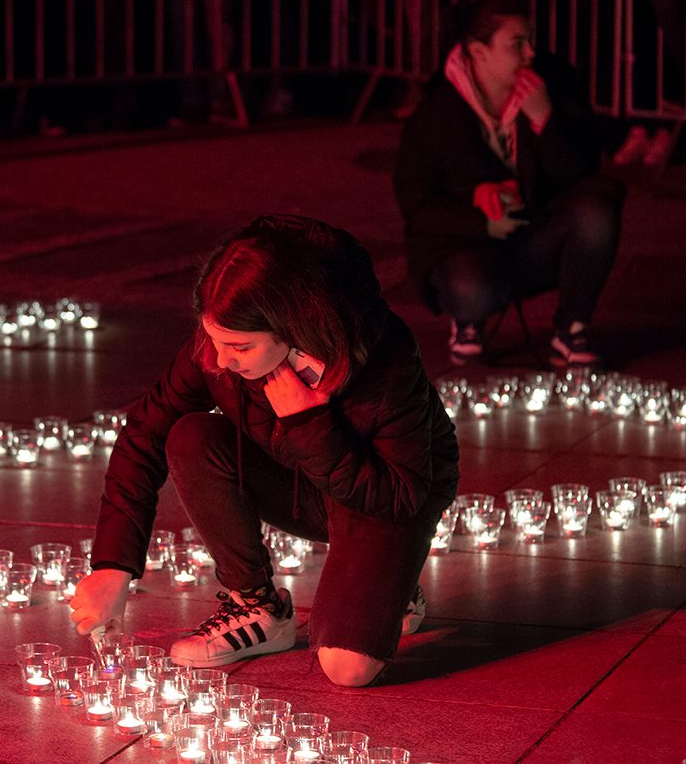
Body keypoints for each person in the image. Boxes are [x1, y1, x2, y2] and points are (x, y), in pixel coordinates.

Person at [69, 214, 460, 688]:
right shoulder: (219, 348)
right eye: (213, 339)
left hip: (384, 500)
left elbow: (400, 496)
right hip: (303, 479)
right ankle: (258, 607)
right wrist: (113, 566)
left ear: (292, 328)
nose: (220, 360)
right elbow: (144, 434)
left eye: (240, 346)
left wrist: (309, 423)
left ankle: (393, 581)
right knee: (190, 435)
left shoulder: (383, 356)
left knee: (347, 668)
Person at [393, 0, 625, 366]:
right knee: (472, 290)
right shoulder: (438, 111)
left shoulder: (553, 83)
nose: (530, 53)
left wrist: (546, 121)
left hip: (534, 235)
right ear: (478, 52)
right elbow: (416, 202)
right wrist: (482, 221)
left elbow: (582, 172)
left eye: (532, 40)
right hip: (466, 245)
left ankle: (572, 329)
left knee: (595, 213)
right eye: (517, 44)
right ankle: (468, 319)